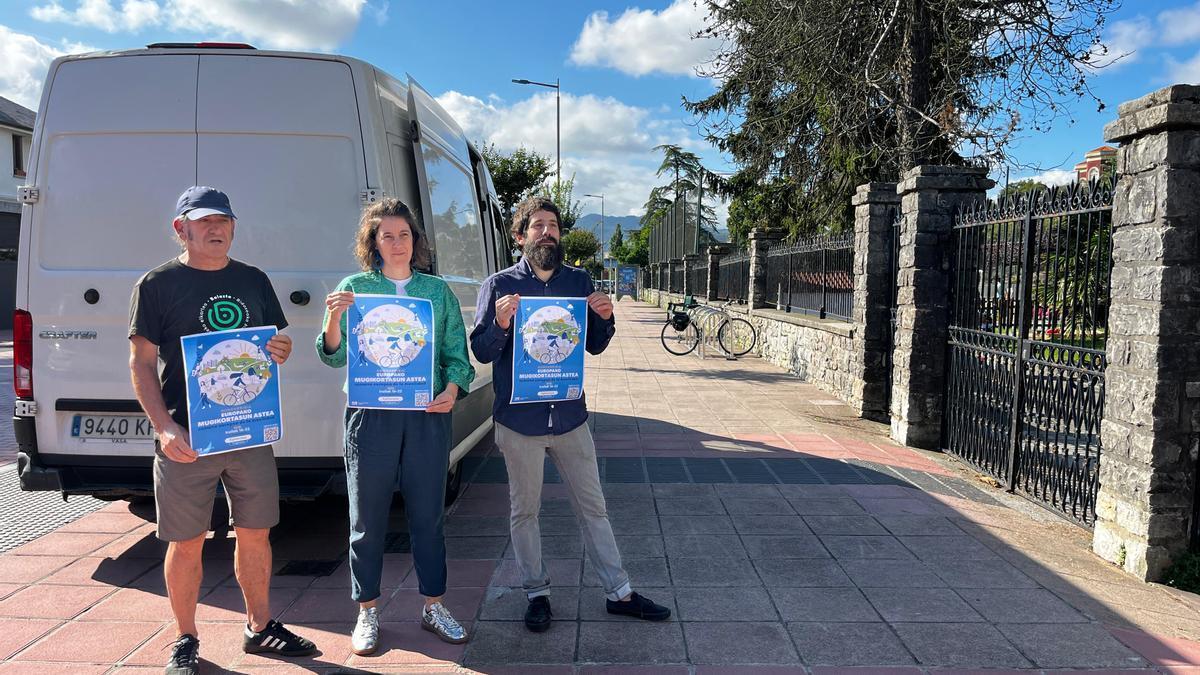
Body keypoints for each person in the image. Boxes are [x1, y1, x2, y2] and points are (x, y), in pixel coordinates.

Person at [128, 186, 316, 675]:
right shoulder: (157, 285)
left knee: (256, 533)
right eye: (205, 221)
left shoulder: (253, 280)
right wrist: (165, 427)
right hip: (187, 436)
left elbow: (274, 343)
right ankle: (185, 638)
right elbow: (141, 363)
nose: (216, 229)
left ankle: (259, 627)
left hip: (247, 432)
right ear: (181, 228)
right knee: (186, 542)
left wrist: (281, 351)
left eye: (224, 221)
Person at [470, 196, 670, 632]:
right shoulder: (499, 285)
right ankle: (536, 593)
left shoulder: (579, 282)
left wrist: (606, 317)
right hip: (519, 422)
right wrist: (502, 325)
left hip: (569, 419)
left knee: (593, 507)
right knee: (525, 512)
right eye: (537, 226)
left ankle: (619, 592)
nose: (547, 232)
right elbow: (482, 350)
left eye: (553, 225)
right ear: (520, 236)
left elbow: (595, 343)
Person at [317, 198, 475, 655]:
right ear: (373, 242)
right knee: (366, 519)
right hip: (371, 418)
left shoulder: (436, 291)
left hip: (426, 417)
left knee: (428, 516)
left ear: (415, 240)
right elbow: (333, 355)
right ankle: (367, 610)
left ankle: (433, 605)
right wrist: (332, 316)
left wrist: (451, 390)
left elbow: (456, 358)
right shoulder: (355, 288)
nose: (397, 242)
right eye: (386, 235)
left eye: (404, 234)